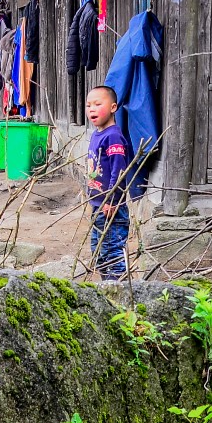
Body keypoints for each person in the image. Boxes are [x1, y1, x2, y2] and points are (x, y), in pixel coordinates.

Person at [85, 84, 132, 281]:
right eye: (88, 106)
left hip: (111, 207)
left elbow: (118, 170)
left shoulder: (113, 136)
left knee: (112, 250)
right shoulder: (97, 134)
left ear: (113, 107)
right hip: (99, 206)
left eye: (97, 104)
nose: (92, 109)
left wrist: (112, 199)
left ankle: (117, 288)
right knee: (99, 250)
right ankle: (108, 286)